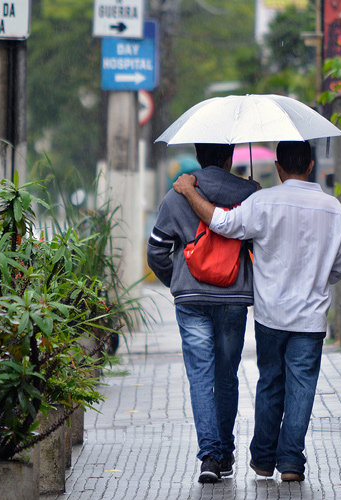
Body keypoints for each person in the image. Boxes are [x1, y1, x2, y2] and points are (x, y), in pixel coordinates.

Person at [173, 140, 341, 482]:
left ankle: (264, 460)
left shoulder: (263, 201)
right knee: (301, 387)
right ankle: (291, 463)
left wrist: (189, 191)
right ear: (311, 166)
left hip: (270, 315)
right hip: (310, 318)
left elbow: (221, 223)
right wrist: (316, 278)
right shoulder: (333, 208)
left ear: (279, 167)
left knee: (270, 382)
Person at [147, 143, 258, 483]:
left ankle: (209, 456)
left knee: (200, 377)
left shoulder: (178, 194)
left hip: (191, 299)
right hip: (233, 299)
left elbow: (156, 251)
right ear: (230, 159)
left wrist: (178, 279)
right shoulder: (251, 194)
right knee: (227, 376)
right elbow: (259, 245)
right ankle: (225, 453)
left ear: (199, 156)